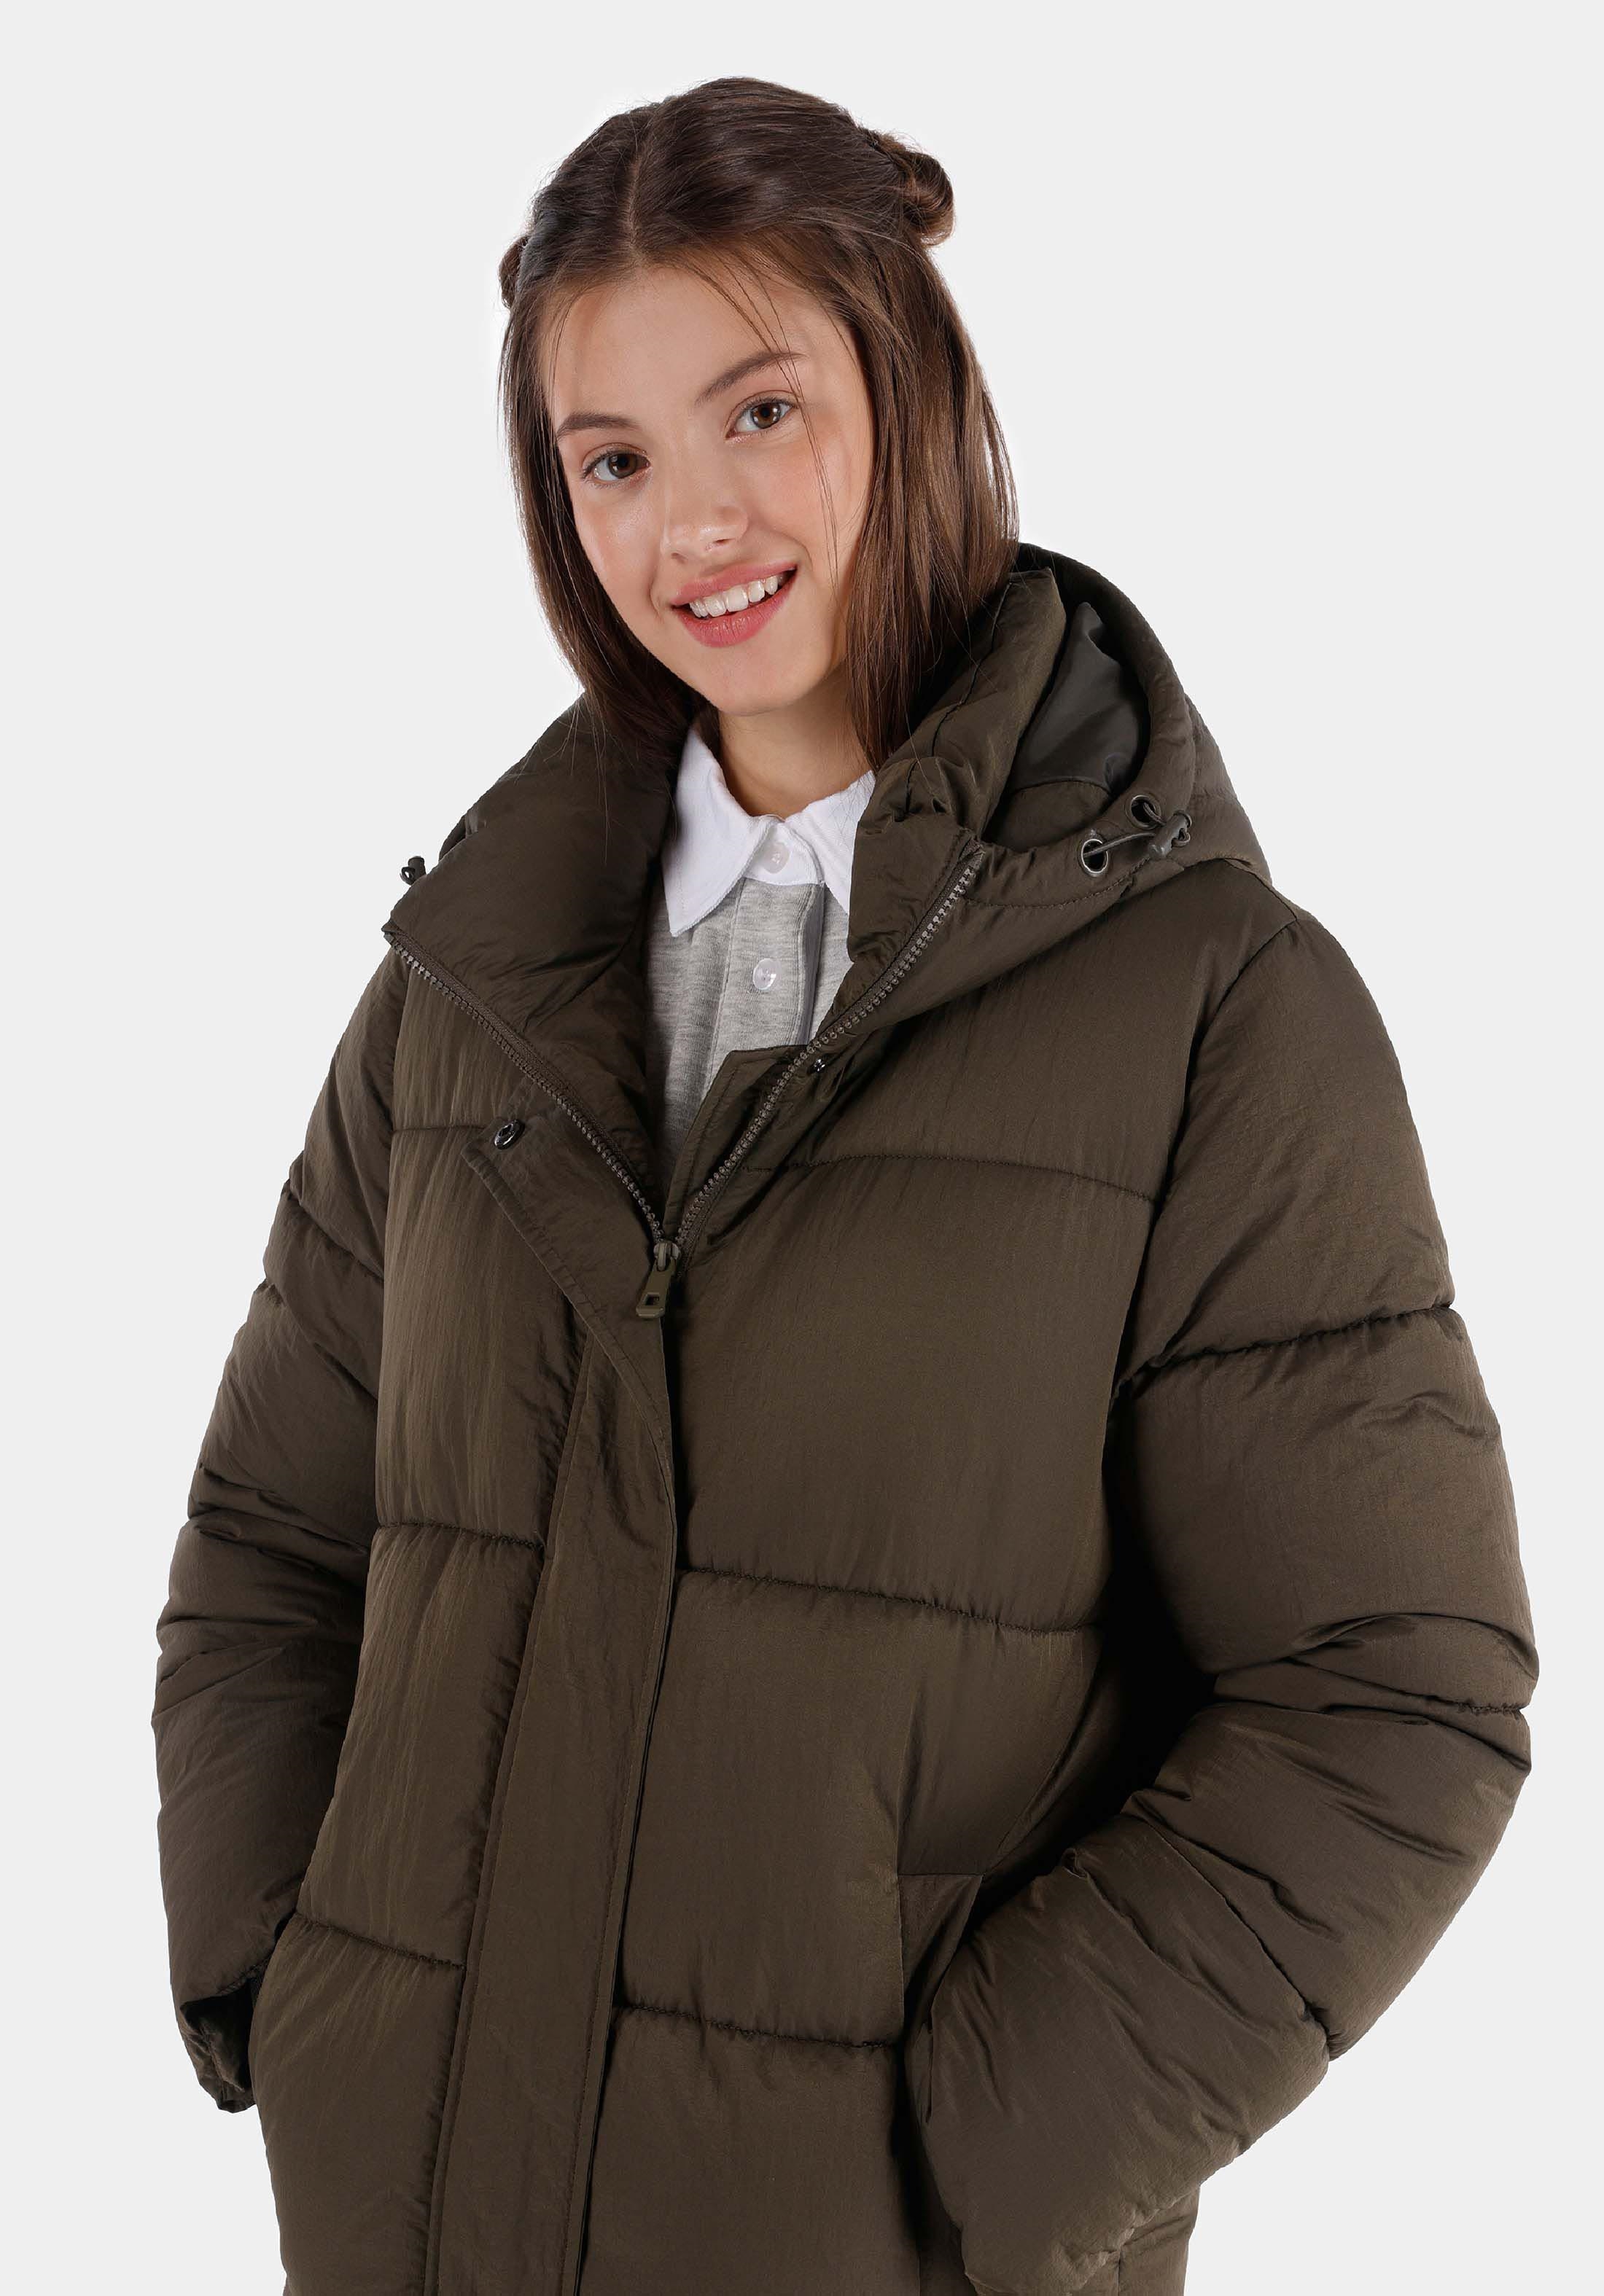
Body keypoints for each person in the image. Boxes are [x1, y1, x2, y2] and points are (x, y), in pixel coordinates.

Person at [150, 75, 1539, 2296]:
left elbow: (1393, 1690)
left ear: (911, 386)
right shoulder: (466, 996)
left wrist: (975, 2157)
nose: (692, 520)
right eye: (611, 459)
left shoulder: (1210, 1010)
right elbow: (275, 1542)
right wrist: (290, 1981)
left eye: (760, 412)